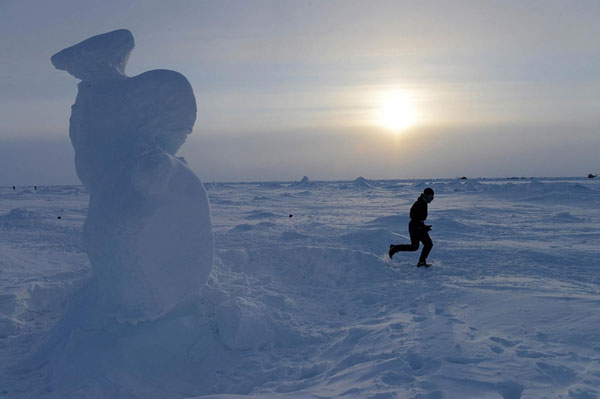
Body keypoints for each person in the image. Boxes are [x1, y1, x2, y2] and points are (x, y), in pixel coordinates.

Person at [389, 187, 434, 267]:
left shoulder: (424, 202)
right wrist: (421, 227)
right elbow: (413, 216)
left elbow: (420, 218)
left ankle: (421, 262)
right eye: (431, 197)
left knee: (425, 245)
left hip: (418, 226)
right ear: (426, 195)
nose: (432, 199)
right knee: (417, 246)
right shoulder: (419, 203)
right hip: (415, 227)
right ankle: (395, 248)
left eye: (433, 197)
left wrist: (424, 226)